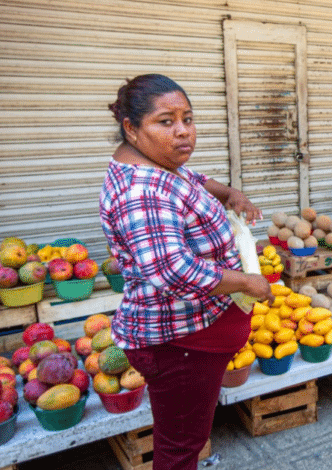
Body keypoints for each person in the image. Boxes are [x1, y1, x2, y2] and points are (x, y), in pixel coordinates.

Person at [100, 74, 274, 470]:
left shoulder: (161, 165)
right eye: (166, 121)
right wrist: (248, 282)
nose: (183, 132)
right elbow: (173, 271)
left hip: (192, 338)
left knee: (186, 439)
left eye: (188, 118)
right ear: (131, 128)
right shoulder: (142, 192)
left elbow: (194, 181)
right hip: (177, 346)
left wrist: (230, 193)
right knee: (180, 449)